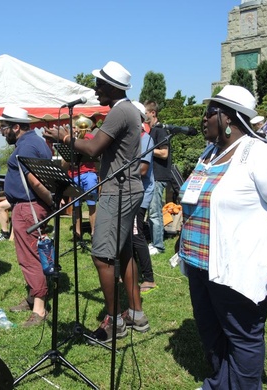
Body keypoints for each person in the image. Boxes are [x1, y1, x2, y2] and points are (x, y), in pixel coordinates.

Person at [177, 85, 267, 389]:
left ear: (228, 118)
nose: (203, 119)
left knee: (243, 336)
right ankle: (221, 383)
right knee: (211, 330)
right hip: (200, 263)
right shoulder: (210, 153)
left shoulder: (260, 154)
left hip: (238, 265)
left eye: (209, 113)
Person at [44, 61, 149, 343]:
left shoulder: (119, 112)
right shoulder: (125, 110)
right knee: (124, 253)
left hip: (119, 191)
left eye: (99, 84)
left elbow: (91, 147)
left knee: (102, 256)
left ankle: (115, 323)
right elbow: (99, 154)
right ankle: (136, 314)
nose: (95, 89)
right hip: (124, 189)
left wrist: (64, 137)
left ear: (113, 87)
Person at [0, 105, 53, 327]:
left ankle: (39, 309)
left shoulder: (27, 146)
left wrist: (52, 201)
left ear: (16, 127)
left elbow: (36, 181)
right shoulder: (33, 141)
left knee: (30, 257)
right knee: (31, 253)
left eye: (4, 128)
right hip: (28, 206)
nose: (2, 132)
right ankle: (33, 297)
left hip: (27, 208)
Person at [131, 101, 157, 294]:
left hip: (140, 194)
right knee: (128, 236)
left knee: (136, 234)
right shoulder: (132, 139)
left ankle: (149, 277)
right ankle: (132, 271)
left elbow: (143, 169)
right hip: (129, 193)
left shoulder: (145, 138)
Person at [62, 115, 98, 239]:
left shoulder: (89, 137)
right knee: (76, 206)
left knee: (91, 204)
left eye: (76, 127)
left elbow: (93, 150)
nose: (76, 129)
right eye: (73, 127)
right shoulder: (68, 141)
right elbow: (63, 165)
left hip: (88, 174)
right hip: (74, 175)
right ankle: (77, 233)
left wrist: (79, 141)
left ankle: (94, 233)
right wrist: (69, 155)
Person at [146, 100, 173, 255]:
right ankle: (154, 242)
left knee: (155, 212)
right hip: (152, 176)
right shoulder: (152, 131)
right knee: (152, 211)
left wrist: (146, 150)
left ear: (153, 113)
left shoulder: (160, 131)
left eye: (146, 112)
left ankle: (158, 246)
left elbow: (164, 153)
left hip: (158, 176)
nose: (144, 115)